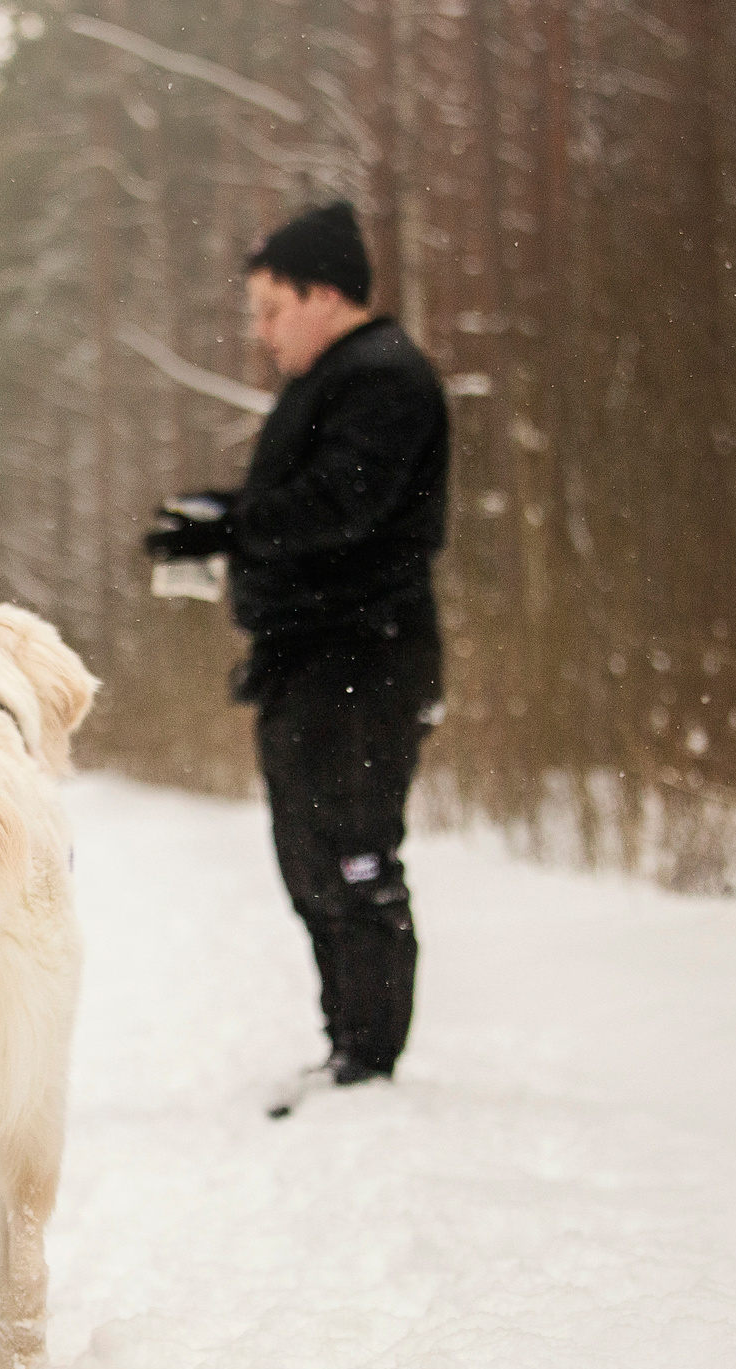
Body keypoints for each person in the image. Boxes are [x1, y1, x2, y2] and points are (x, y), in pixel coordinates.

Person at [145, 201, 450, 1100]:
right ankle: (346, 1042)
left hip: (365, 659)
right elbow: (305, 498)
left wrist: (228, 527)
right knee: (308, 856)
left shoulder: (386, 378)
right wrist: (217, 514)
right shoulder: (334, 381)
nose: (262, 332)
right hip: (307, 661)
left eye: (272, 309)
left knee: (353, 853)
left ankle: (371, 1059)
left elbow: (342, 503)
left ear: (324, 294)